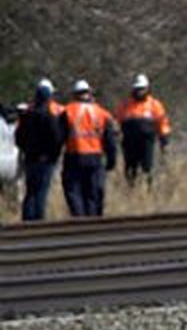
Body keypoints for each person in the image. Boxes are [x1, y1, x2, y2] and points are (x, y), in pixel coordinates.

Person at [60, 79, 117, 217]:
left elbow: (58, 136)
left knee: (74, 192)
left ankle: (79, 222)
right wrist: (111, 160)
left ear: (74, 94)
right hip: (95, 157)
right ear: (89, 93)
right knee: (93, 192)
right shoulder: (101, 113)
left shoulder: (67, 111)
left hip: (74, 156)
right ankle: (93, 224)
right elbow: (110, 140)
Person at [14, 79, 65, 221]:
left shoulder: (26, 116)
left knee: (30, 192)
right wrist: (53, 156)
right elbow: (57, 138)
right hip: (45, 160)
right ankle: (38, 221)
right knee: (41, 192)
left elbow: (19, 138)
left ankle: (27, 220)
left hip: (30, 159)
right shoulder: (49, 117)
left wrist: (27, 150)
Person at [115, 73, 171, 187]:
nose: (140, 91)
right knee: (130, 168)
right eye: (137, 89)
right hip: (129, 142)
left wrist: (164, 141)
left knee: (147, 167)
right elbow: (116, 122)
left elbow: (162, 123)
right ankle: (131, 191)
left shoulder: (154, 104)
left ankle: (148, 190)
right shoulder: (125, 105)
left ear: (147, 88)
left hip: (147, 141)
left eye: (142, 89)